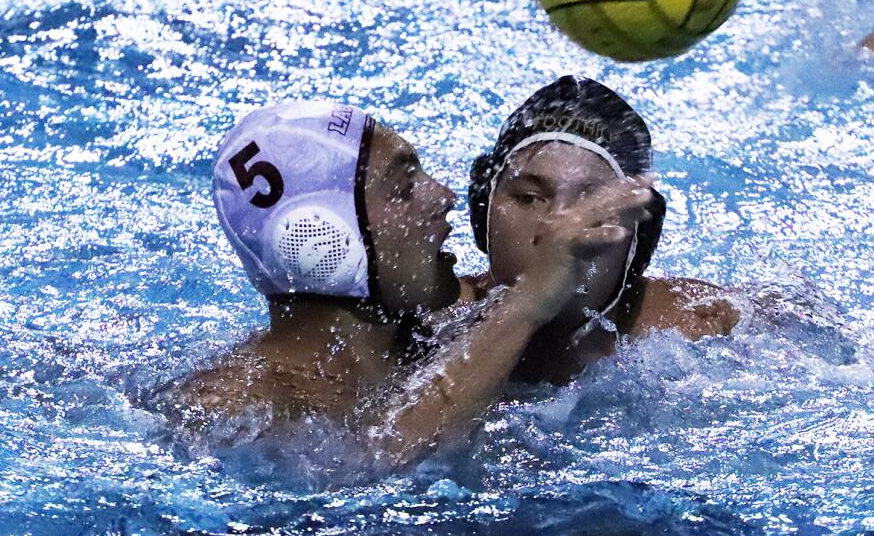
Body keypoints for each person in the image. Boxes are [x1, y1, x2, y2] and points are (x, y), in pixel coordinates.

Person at [154, 99, 652, 469]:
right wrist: (526, 304)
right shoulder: (236, 408)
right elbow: (376, 464)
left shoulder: (438, 336)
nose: (446, 196)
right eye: (406, 186)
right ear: (325, 242)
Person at [462, 76, 742, 385]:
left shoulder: (699, 325)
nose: (559, 229)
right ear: (482, 214)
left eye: (592, 207)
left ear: (638, 238)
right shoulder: (430, 326)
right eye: (529, 199)